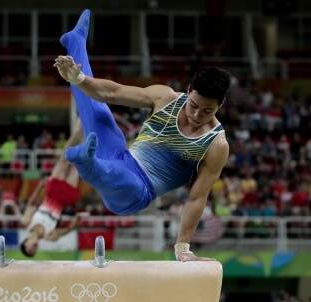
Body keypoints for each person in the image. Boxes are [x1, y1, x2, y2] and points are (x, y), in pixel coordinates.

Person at [54, 9, 230, 261]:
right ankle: (75, 43)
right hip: (121, 156)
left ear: (220, 106)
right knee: (98, 110)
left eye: (207, 111)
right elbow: (112, 92)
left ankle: (87, 161)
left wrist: (182, 248)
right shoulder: (165, 97)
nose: (196, 115)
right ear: (188, 90)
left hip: (138, 191)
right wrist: (79, 78)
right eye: (193, 105)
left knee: (117, 176)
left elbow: (197, 197)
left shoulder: (216, 144)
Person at [20, 122, 83, 257]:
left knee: (65, 157)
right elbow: (67, 230)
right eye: (34, 251)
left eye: (30, 249)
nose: (34, 248)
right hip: (66, 196)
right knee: (78, 162)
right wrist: (75, 223)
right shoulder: (50, 236)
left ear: (25, 242)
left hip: (52, 191)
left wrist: (40, 186)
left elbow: (32, 202)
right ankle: (89, 131)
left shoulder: (26, 222)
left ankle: (79, 127)